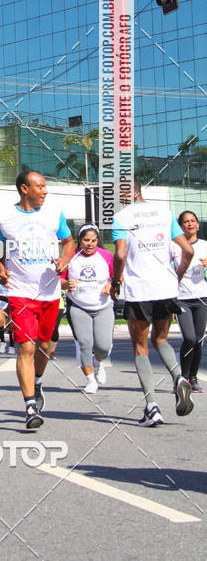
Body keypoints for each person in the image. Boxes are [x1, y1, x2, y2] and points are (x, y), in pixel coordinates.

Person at [0, 170, 75, 429]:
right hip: (20, 292)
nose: (45, 190)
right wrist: (1, 269)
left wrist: (64, 259)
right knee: (26, 347)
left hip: (50, 292)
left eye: (45, 185)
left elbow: (69, 241)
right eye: (40, 186)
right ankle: (30, 406)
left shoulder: (54, 213)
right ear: (24, 188)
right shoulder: (3, 218)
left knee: (45, 347)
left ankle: (37, 381)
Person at [111, 179, 194, 427]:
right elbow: (188, 251)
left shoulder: (121, 217)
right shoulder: (164, 213)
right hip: (165, 288)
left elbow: (121, 254)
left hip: (140, 291)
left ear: (126, 194)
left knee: (140, 348)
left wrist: (116, 280)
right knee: (161, 340)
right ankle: (179, 378)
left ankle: (152, 407)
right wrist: (177, 274)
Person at [64, 224, 114, 394]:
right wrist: (67, 283)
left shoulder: (106, 256)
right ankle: (90, 379)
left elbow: (118, 276)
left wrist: (111, 284)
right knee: (85, 343)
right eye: (86, 240)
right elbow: (60, 280)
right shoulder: (71, 257)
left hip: (103, 306)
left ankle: (99, 363)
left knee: (103, 346)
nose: (90, 244)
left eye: (93, 240)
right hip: (78, 306)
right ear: (79, 240)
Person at [172, 210, 207, 393]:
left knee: (199, 340)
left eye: (193, 221)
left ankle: (193, 378)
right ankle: (183, 378)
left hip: (202, 299)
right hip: (182, 299)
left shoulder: (205, 245)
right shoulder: (174, 247)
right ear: (181, 226)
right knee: (190, 338)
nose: (190, 224)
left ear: (198, 225)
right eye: (186, 222)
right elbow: (166, 271)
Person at [0, 267, 16, 355]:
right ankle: (2, 342)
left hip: (12, 297)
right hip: (0, 297)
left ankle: (12, 345)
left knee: (11, 324)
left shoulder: (14, 270)